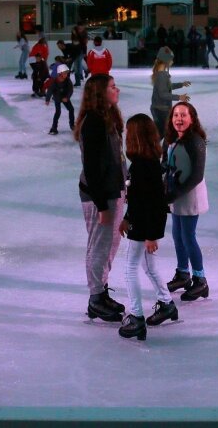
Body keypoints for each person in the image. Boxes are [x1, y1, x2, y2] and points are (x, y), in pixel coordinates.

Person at [117, 114, 177, 341]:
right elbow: (138, 199)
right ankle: (167, 302)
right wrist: (126, 217)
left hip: (143, 228)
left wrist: (151, 235)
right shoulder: (143, 164)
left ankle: (136, 316)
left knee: (130, 267)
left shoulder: (146, 167)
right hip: (140, 223)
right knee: (149, 267)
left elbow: (157, 204)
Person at [76, 74, 127, 323]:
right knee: (99, 247)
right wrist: (102, 206)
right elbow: (93, 168)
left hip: (112, 191)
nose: (117, 90)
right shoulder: (93, 122)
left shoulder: (107, 117)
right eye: (112, 87)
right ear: (99, 93)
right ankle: (96, 299)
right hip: (99, 196)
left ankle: (101, 291)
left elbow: (116, 158)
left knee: (109, 246)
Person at [163, 102, 211, 302]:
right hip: (175, 195)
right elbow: (165, 166)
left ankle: (200, 281)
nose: (179, 119)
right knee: (177, 235)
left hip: (189, 196)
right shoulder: (171, 140)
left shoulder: (196, 142)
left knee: (188, 236)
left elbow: (196, 176)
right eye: (176, 115)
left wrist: (172, 195)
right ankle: (183, 274)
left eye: (184, 115)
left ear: (192, 118)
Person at [150, 57, 190, 135]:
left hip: (160, 108)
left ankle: (153, 146)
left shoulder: (161, 73)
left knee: (163, 133)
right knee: (167, 133)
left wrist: (181, 84)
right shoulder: (161, 75)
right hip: (161, 110)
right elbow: (163, 94)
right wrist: (179, 97)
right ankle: (152, 146)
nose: (172, 61)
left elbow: (167, 86)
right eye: (170, 59)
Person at [47, 64, 75, 136]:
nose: (66, 75)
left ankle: (72, 125)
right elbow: (50, 90)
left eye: (66, 73)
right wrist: (47, 99)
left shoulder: (67, 80)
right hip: (57, 98)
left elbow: (70, 89)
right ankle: (54, 128)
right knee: (58, 112)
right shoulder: (55, 81)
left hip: (65, 97)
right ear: (60, 74)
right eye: (64, 73)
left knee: (71, 109)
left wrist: (67, 97)